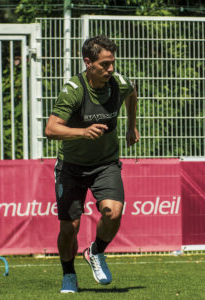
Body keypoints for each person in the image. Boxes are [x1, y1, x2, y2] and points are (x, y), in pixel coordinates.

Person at [45, 35, 139, 294]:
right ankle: (69, 275)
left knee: (113, 212)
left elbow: (132, 93)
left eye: (112, 63)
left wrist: (132, 126)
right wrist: (82, 132)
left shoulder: (118, 83)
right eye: (104, 64)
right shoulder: (74, 90)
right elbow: (51, 128)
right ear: (88, 63)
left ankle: (95, 251)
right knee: (69, 228)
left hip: (105, 164)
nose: (110, 69)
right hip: (71, 166)